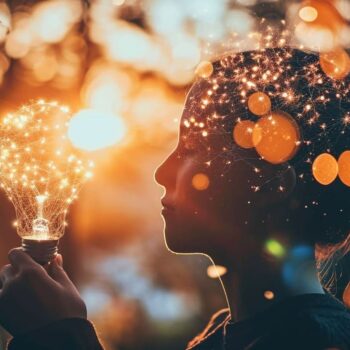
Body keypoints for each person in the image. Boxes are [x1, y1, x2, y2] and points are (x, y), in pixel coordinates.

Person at [0, 47, 350, 350]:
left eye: (192, 149)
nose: (162, 172)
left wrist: (57, 336)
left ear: (271, 183)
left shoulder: (316, 342)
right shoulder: (225, 333)